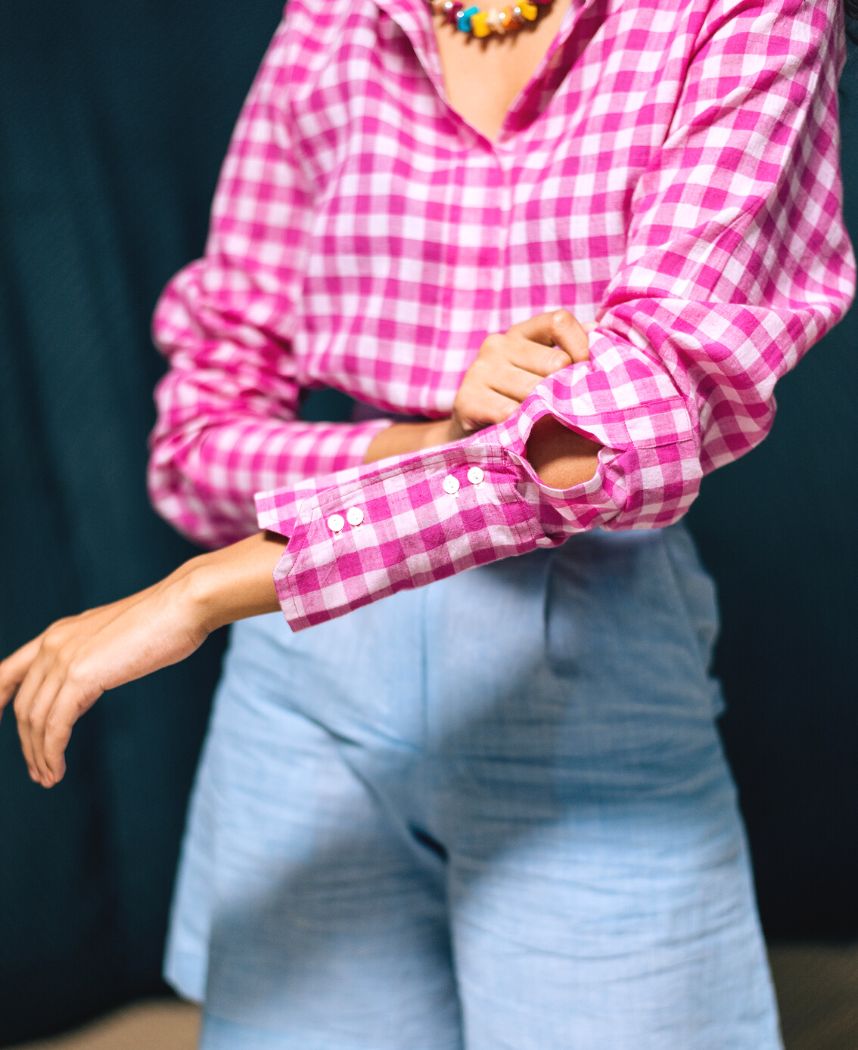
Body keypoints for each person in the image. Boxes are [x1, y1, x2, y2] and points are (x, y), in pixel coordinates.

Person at [1, 0, 855, 1045]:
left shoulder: (745, 15)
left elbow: (605, 441)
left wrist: (203, 590)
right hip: (304, 696)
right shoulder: (334, 25)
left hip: (581, 679)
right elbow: (195, 447)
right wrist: (438, 435)